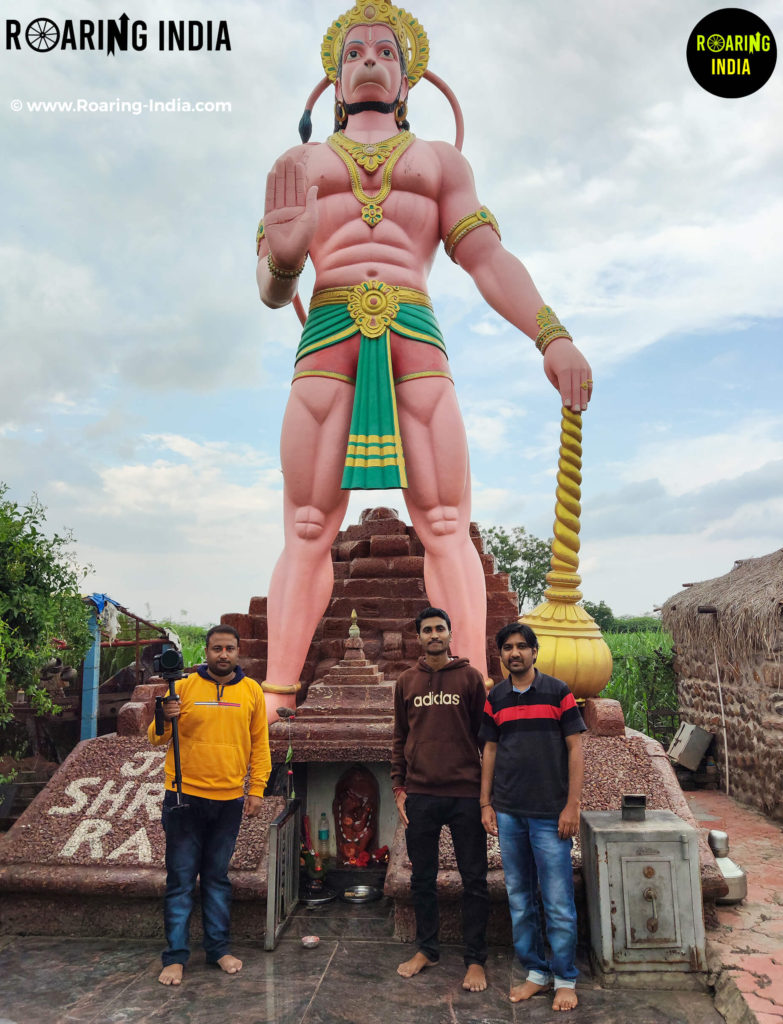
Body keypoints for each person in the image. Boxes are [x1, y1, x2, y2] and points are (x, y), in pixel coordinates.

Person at [256, 0, 594, 720]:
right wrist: (285, 261)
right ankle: (277, 699)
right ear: (334, 79)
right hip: (326, 333)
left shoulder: (440, 163)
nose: (370, 59)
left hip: (413, 331)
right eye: (354, 53)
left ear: (408, 78)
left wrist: (550, 333)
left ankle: (474, 698)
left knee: (443, 520)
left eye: (385, 51)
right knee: (309, 526)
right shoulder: (298, 164)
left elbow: (485, 256)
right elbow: (271, 282)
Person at [148, 625, 271, 986]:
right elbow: (156, 738)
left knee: (217, 879)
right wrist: (165, 715)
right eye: (216, 648)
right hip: (184, 797)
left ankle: (218, 949)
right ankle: (175, 957)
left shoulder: (251, 691)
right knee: (181, 879)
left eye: (229, 648)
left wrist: (257, 789)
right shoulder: (182, 687)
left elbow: (260, 744)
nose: (223, 654)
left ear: (238, 652)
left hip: (229, 800)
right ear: (206, 651)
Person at [479, 623, 586, 1012]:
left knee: (557, 899)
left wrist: (572, 805)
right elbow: (489, 751)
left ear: (535, 652)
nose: (515, 653)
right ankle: (536, 973)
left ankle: (565, 978)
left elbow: (575, 750)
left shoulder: (559, 693)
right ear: (501, 655)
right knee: (520, 897)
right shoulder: (497, 698)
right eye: (507, 648)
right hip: (509, 813)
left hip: (549, 815)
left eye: (522, 646)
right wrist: (485, 803)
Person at [391, 606, 489, 991]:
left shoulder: (470, 678)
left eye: (440, 629)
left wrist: (486, 795)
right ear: (419, 637)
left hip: (465, 792)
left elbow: (486, 740)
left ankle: (476, 958)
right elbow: (400, 737)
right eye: (427, 630)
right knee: (423, 879)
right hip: (421, 794)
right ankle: (427, 949)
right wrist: (399, 786)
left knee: (475, 880)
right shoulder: (407, 681)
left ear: (450, 634)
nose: (434, 635)